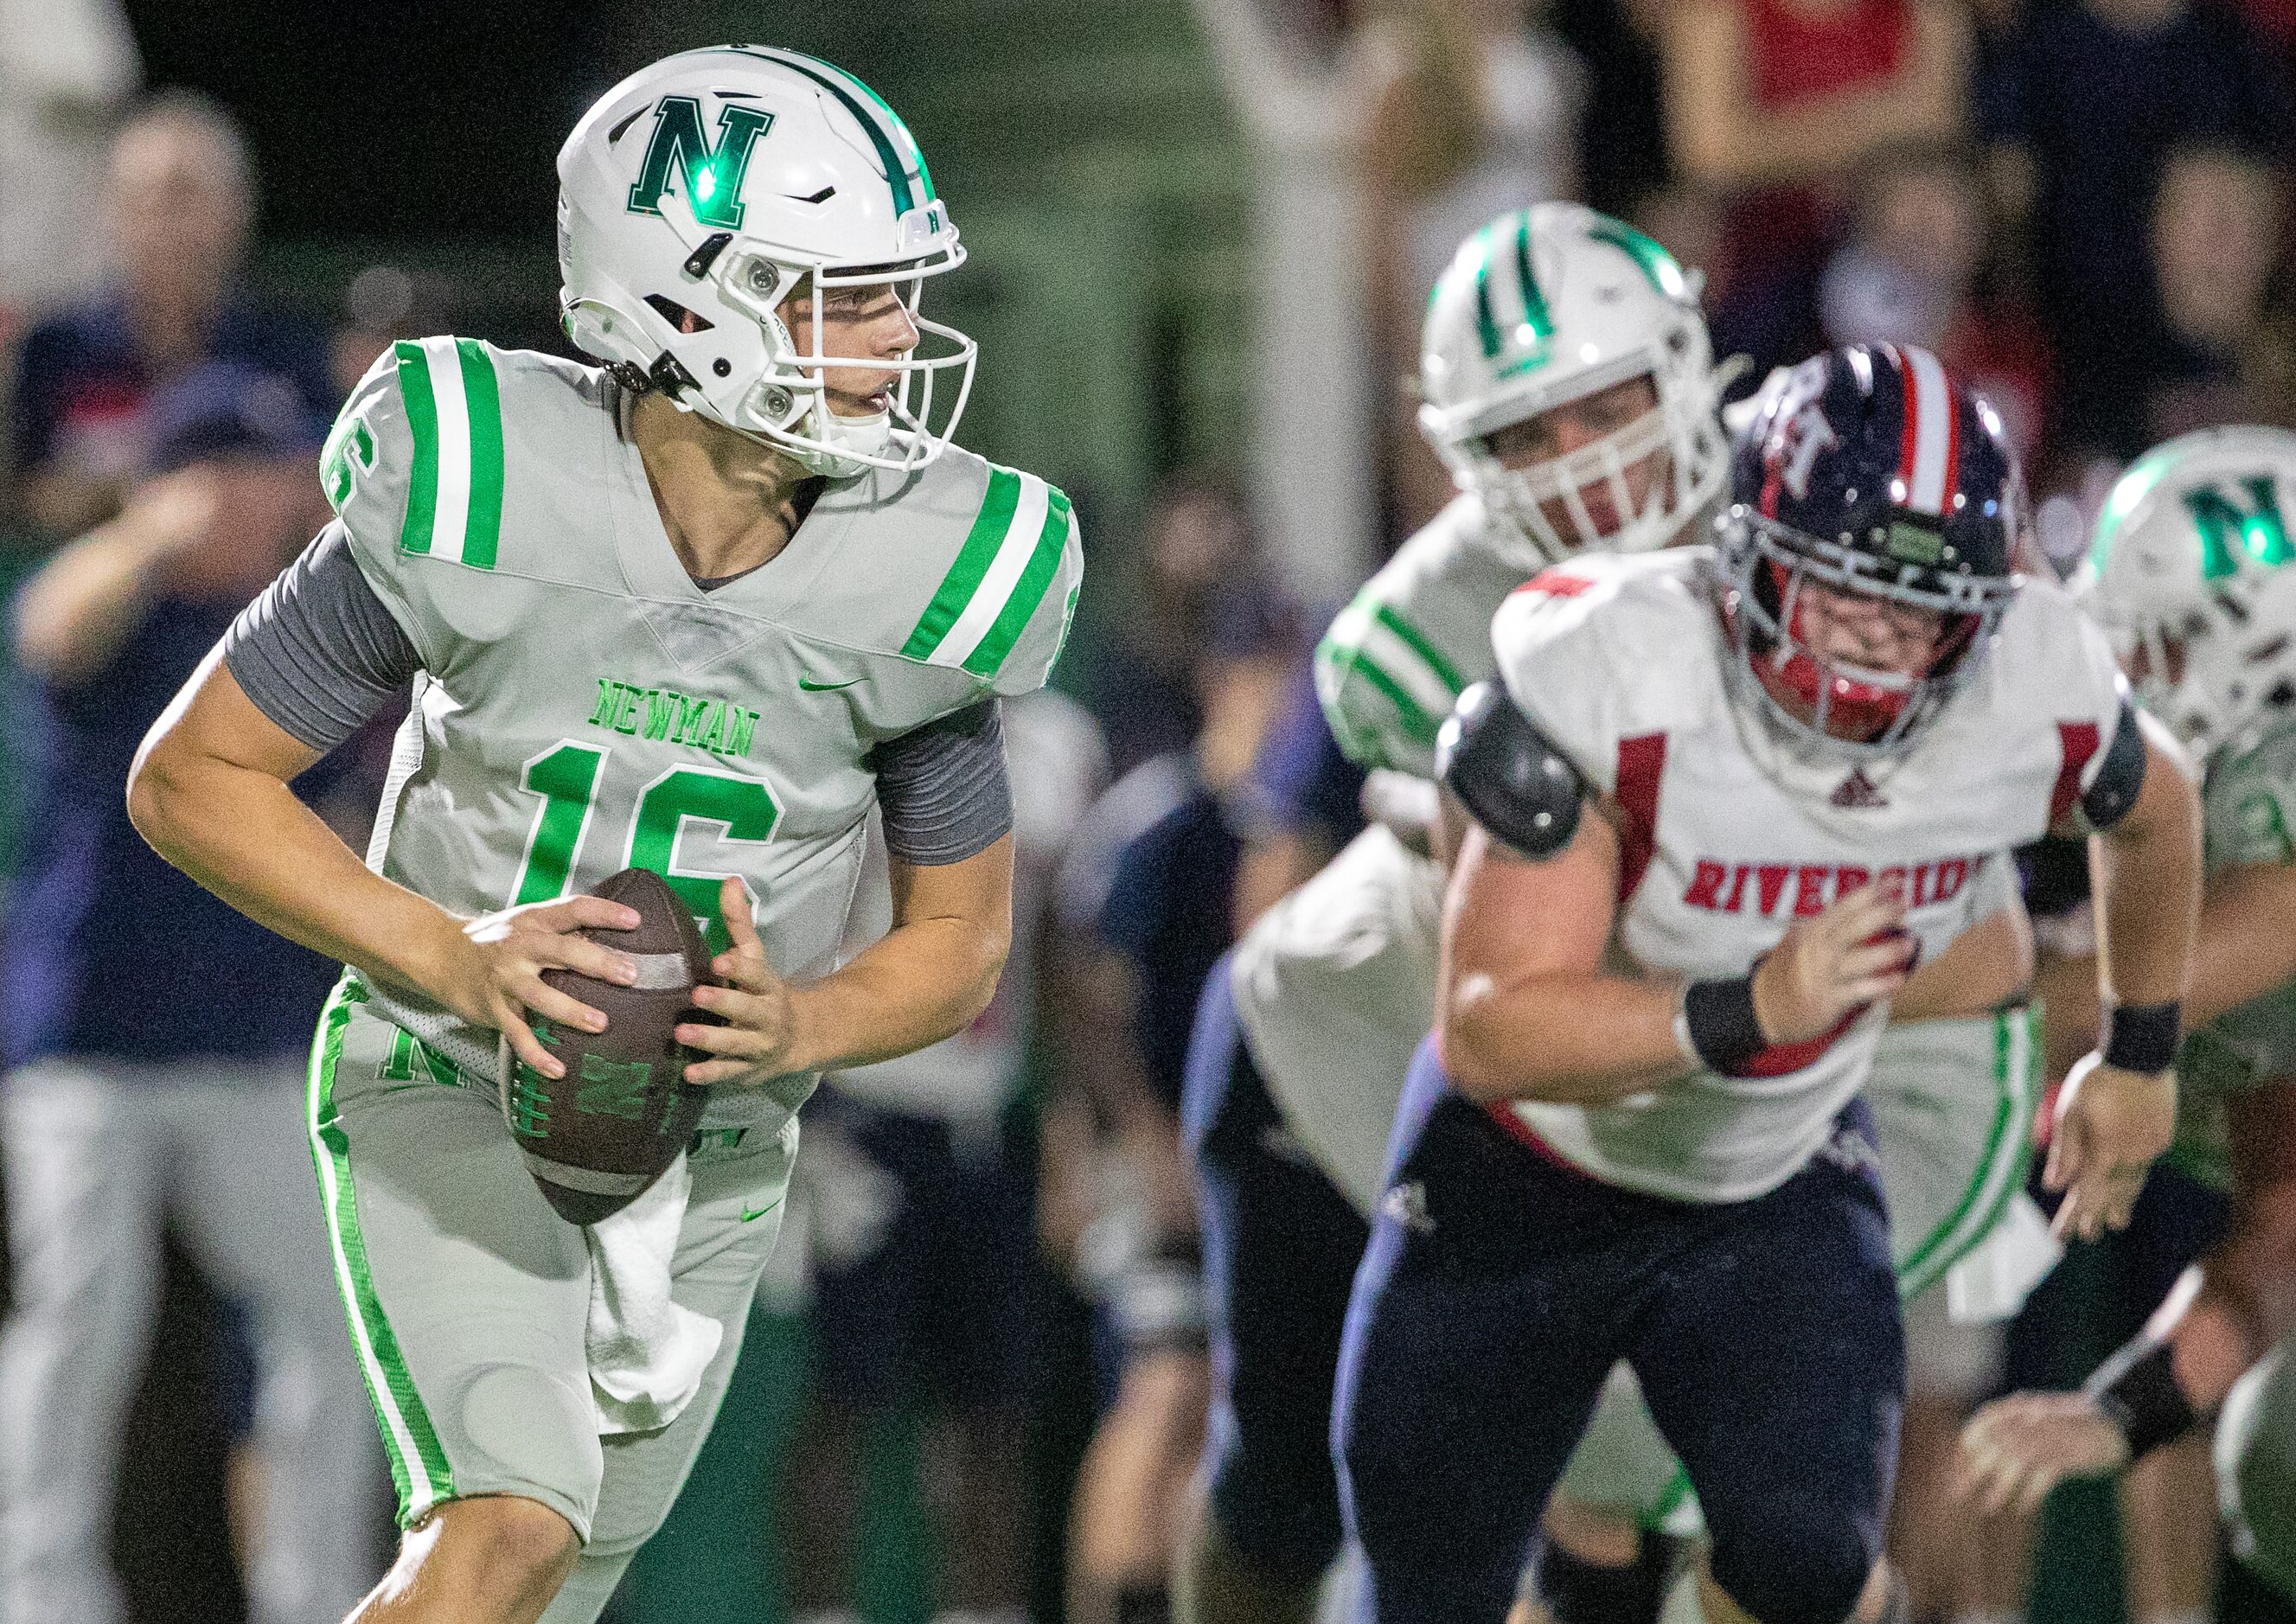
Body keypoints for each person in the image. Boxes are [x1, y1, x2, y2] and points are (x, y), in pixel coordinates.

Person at [122, 45, 1084, 1624]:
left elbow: (960, 940)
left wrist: (811, 1017)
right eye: (841, 296)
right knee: (503, 1530)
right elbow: (194, 776)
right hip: (447, 1071)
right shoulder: (489, 481)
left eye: (896, 290)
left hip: (707, 1144)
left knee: (543, 1581)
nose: (900, 335)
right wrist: (449, 948)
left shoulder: (930, 571)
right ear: (684, 302)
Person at [1333, 345, 2203, 1624]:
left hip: (1770, 1168)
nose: (1871, 647)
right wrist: (1744, 1007)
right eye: (1834, 593)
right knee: (1420, 1574)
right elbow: (1488, 1031)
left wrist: (2138, 1054)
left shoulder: (2032, 681)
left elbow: (2157, 810)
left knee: (1806, 1566)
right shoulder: (1610, 665)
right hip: (1525, 1166)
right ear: (1740, 557)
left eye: (1915, 613)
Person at [0, 362, 387, 1624]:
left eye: (282, 474)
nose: (262, 499)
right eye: (238, 470)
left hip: (251, 1045)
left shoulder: (304, 641)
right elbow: (45, 628)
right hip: (87, 1045)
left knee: (334, 1321)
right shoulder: (126, 610)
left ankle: (315, 1595)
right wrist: (150, 524)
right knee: (78, 1319)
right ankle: (43, 1597)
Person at [1960, 425, 2296, 1610]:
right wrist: (2120, 1409)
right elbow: (2281, 1228)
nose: (2121, 682)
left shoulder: (2272, 807)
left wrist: (1839, 998)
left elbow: (2115, 988)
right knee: (2274, 1451)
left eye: (2147, 646)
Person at [782, 686, 1109, 1624]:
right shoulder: (875, 708)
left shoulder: (1062, 742)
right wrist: (801, 1099)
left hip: (986, 1115)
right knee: (846, 1398)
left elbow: (1049, 941)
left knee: (993, 1411)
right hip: (868, 1105)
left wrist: (1077, 1122)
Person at [8, 92, 335, 543]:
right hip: (97, 591)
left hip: (250, 594)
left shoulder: (289, 348)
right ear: (112, 214)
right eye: (139, 198)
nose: (161, 219)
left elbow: (320, 488)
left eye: (182, 195)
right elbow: (26, 495)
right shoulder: (58, 346)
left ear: (236, 209)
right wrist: (155, 504)